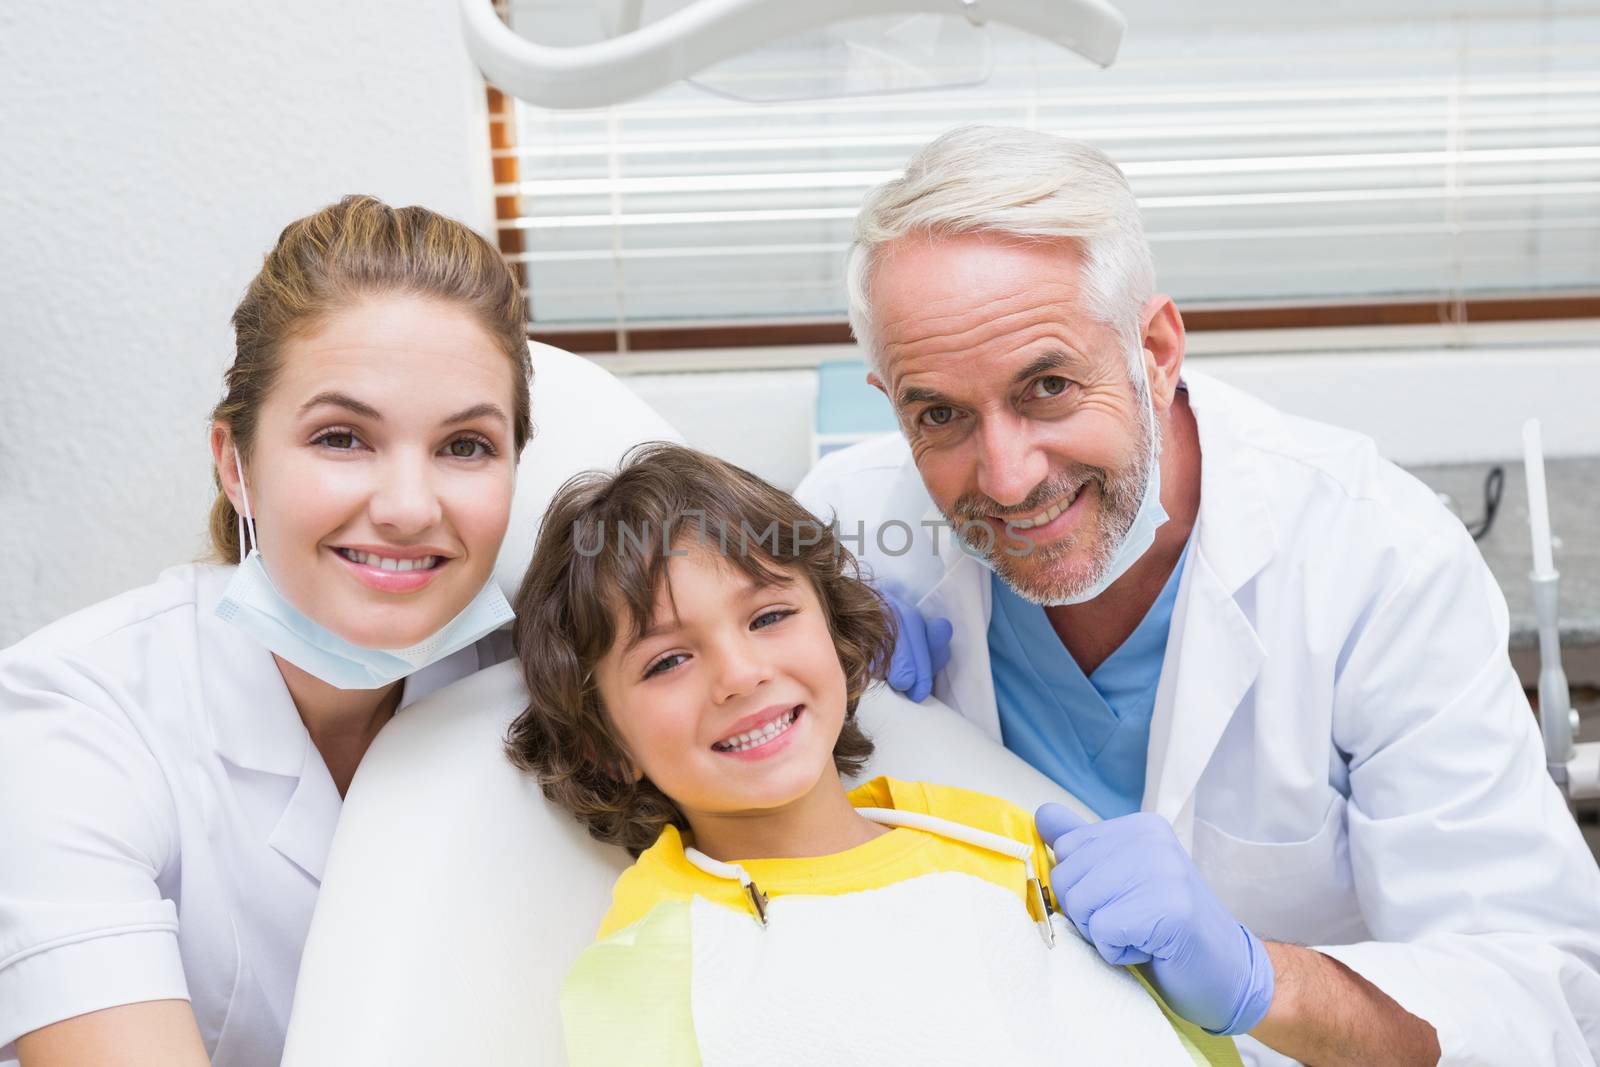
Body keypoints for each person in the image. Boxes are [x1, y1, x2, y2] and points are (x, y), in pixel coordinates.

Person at [795, 125, 1600, 1067]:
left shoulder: (1373, 558)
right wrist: (813, 661)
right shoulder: (842, 538)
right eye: (938, 414)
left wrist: (1258, 978)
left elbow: (1532, 995)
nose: (1007, 479)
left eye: (1049, 386)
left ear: (1156, 348)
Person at [0, 195, 532, 1067]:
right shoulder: (71, 714)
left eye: (466, 446)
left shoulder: (543, 689)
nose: (407, 507)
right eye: (341, 437)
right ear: (234, 465)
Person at [505, 442, 1242, 1067]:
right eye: (666, 661)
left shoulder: (993, 833)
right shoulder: (662, 953)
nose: (741, 673)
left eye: (769, 615)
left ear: (835, 626)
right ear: (605, 743)